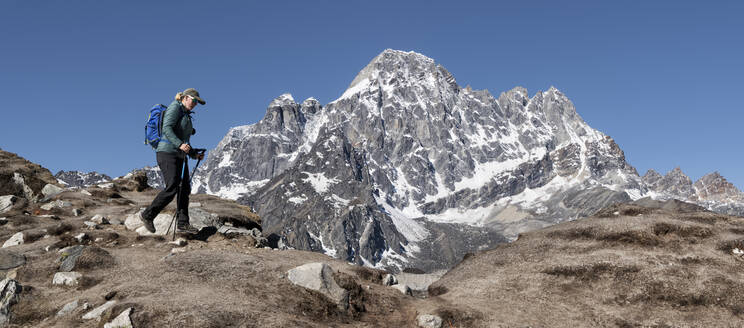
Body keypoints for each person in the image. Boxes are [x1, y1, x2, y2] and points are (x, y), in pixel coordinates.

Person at [140, 88, 206, 233]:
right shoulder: (175, 107)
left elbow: (184, 141)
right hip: (167, 153)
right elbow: (167, 128)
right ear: (185, 97)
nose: (195, 104)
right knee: (173, 186)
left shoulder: (186, 114)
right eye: (194, 101)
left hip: (179, 155)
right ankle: (147, 215)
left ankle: (183, 224)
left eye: (197, 103)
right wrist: (180, 145)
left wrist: (195, 154)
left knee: (184, 189)